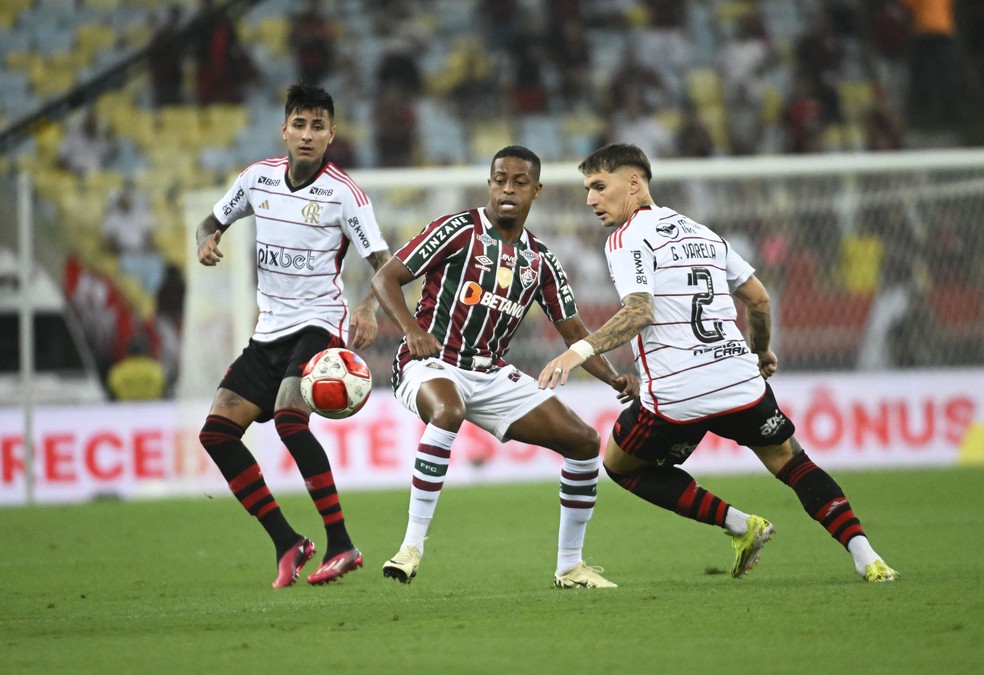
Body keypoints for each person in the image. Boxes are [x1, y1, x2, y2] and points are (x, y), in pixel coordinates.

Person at [538, 143, 899, 583]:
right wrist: (761, 350)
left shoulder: (626, 237)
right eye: (587, 189)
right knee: (793, 462)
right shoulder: (703, 233)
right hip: (740, 382)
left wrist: (577, 352)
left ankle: (740, 524)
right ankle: (868, 557)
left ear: (633, 182)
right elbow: (758, 298)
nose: (590, 200)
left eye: (598, 186)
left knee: (620, 466)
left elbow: (639, 312)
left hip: (675, 395)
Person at [371, 145, 637, 588]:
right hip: (430, 362)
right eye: (499, 180)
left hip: (491, 373)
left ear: (536, 190)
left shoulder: (540, 259)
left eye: (518, 182)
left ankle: (570, 566)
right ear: (490, 184)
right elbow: (386, 278)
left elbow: (574, 332)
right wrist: (411, 330)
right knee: (448, 411)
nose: (507, 189)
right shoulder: (456, 230)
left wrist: (613, 377)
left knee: (585, 442)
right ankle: (411, 547)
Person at [196, 83, 391, 588]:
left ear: (331, 134)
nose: (307, 135)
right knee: (216, 434)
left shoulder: (345, 195)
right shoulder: (256, 179)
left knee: (288, 419)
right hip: (269, 330)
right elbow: (208, 221)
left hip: (319, 324)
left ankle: (342, 543)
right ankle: (287, 541)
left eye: (318, 126)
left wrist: (368, 307)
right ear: (284, 129)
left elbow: (386, 266)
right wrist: (207, 240)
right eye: (299, 124)